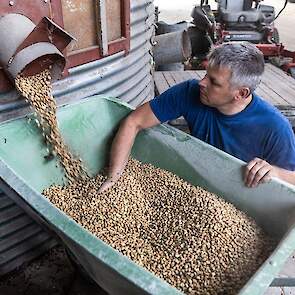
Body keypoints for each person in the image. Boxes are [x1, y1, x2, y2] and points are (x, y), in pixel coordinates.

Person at [98, 41, 295, 193]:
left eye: (213, 81)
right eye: (205, 73)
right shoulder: (190, 92)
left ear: (241, 93)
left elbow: (292, 179)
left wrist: (275, 173)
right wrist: (114, 178)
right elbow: (133, 122)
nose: (201, 82)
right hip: (198, 183)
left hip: (240, 198)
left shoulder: (275, 127)